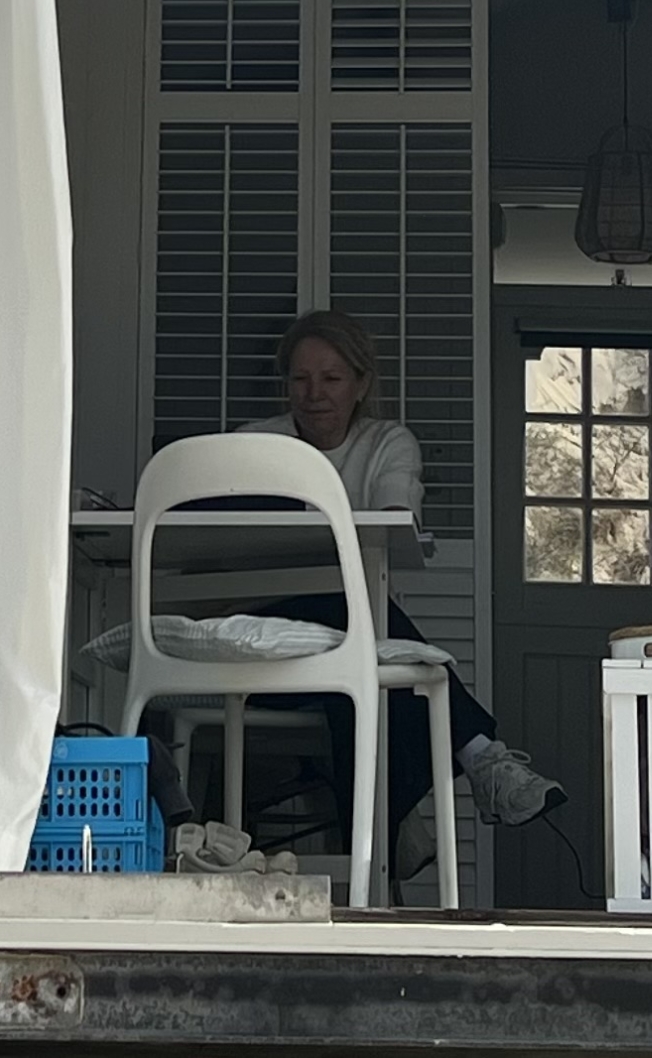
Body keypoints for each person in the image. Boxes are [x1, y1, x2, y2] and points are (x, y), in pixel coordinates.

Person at [219, 310, 564, 839]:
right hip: (259, 646)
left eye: (331, 378)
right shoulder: (252, 443)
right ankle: (475, 765)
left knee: (358, 666)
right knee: (362, 629)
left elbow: (394, 521)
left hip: (343, 651)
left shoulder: (386, 443)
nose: (314, 393)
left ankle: (381, 848)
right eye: (300, 378)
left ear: (361, 384)